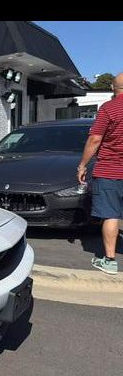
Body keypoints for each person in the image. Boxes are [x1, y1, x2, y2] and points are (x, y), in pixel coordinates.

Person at [78, 72, 123, 274]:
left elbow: (95, 140)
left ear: (114, 88)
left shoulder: (109, 108)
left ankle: (110, 261)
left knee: (111, 214)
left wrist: (82, 165)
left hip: (110, 170)